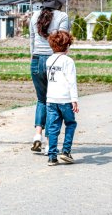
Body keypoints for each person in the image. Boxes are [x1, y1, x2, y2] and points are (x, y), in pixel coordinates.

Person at [29, 0, 70, 153]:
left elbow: (31, 42)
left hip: (36, 60)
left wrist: (34, 58)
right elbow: (63, 42)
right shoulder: (62, 17)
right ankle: (49, 144)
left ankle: (37, 134)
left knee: (41, 100)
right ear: (58, 1)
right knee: (54, 102)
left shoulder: (34, 16)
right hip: (55, 61)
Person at [45, 30, 79, 166]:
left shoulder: (49, 60)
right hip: (65, 99)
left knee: (53, 127)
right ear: (67, 45)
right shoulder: (68, 61)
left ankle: (52, 156)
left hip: (51, 99)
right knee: (70, 124)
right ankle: (66, 151)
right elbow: (72, 82)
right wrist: (74, 99)